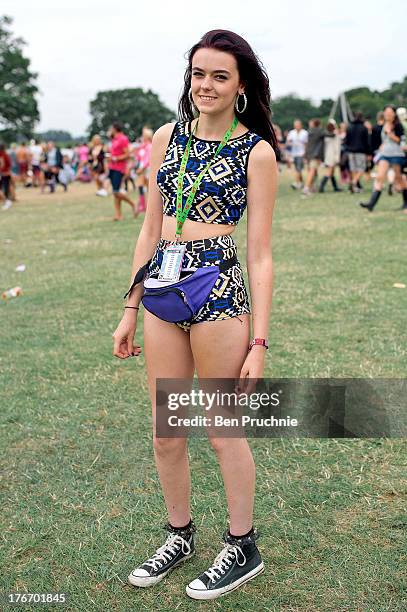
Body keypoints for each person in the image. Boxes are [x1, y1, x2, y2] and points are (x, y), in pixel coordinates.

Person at [112, 29, 278, 600]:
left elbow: (259, 253)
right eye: (198, 74)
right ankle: (179, 534)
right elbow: (149, 225)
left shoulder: (256, 151)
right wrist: (129, 307)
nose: (204, 85)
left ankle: (242, 545)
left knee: (221, 430)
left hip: (219, 294)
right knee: (167, 432)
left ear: (241, 87)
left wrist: (260, 343)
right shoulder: (166, 138)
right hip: (161, 289)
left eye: (219, 76)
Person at [360, 105, 407, 212]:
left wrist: (390, 133)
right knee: (379, 176)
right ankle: (371, 203)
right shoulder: (384, 124)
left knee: (399, 179)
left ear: (394, 114)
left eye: (390, 112)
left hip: (396, 155)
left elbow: (401, 141)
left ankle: (406, 202)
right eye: (386, 112)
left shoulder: (398, 125)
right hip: (385, 154)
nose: (387, 114)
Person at [107, 122, 138, 220]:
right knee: (115, 193)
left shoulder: (123, 139)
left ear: (115, 128)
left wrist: (116, 158)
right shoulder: (113, 139)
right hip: (112, 167)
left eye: (111, 128)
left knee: (116, 191)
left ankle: (133, 205)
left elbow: (128, 154)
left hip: (119, 168)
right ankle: (118, 215)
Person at [345, 112, 369, 193]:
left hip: (350, 151)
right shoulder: (363, 128)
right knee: (361, 169)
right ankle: (354, 182)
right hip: (360, 151)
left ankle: (355, 186)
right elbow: (366, 141)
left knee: (353, 169)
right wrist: (368, 152)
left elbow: (346, 140)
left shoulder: (349, 127)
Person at [319, 119, 342, 192]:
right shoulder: (334, 135)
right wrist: (337, 158)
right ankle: (321, 187)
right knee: (329, 171)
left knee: (332, 172)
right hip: (332, 155)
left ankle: (335, 187)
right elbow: (337, 147)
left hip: (328, 155)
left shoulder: (326, 135)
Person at [303, 119, 324, 196]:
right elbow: (330, 134)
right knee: (312, 171)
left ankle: (312, 187)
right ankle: (306, 188)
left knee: (312, 171)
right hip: (315, 155)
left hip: (309, 154)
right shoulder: (319, 131)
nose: (309, 124)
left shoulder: (309, 131)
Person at [135, 127, 153, 212]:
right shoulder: (142, 146)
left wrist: (142, 168)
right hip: (141, 169)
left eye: (144, 135)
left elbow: (148, 159)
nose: (142, 136)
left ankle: (148, 206)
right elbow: (139, 157)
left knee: (150, 188)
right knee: (140, 186)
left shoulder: (149, 146)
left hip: (147, 169)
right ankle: (142, 205)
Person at [286, 119, 308, 189]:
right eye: (295, 125)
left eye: (298, 125)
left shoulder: (305, 133)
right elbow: (288, 142)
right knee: (298, 169)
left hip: (301, 153)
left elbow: (306, 143)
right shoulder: (292, 132)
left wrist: (305, 153)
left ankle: (297, 183)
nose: (296, 127)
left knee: (298, 169)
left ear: (300, 125)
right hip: (294, 153)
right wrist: (290, 142)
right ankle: (301, 182)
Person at [0, 143, 13, 210]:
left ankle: (7, 201)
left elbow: (2, 164)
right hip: (7, 173)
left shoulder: (1, 154)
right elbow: (10, 164)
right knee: (7, 188)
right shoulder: (6, 154)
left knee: (4, 189)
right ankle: (8, 200)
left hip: (3, 173)